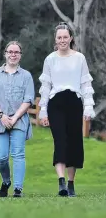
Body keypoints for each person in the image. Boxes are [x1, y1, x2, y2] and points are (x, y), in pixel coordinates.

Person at [38, 22, 96, 197]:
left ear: (71, 38)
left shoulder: (79, 58)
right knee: (60, 141)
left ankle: (71, 184)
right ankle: (61, 182)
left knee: (74, 143)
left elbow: (86, 84)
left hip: (74, 102)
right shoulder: (50, 59)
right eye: (59, 37)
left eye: (65, 37)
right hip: (56, 103)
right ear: (55, 40)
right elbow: (46, 86)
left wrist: (88, 107)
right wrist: (43, 110)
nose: (62, 40)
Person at [0, 41, 34, 198]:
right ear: (5, 54)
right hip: (0, 121)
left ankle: (18, 189)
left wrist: (14, 118)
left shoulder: (26, 76)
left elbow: (28, 99)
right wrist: (1, 115)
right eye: (10, 52)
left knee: (18, 154)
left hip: (19, 120)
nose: (13, 55)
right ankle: (6, 181)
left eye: (16, 52)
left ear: (20, 55)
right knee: (1, 157)